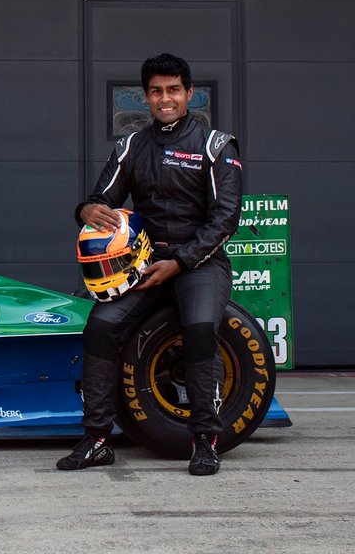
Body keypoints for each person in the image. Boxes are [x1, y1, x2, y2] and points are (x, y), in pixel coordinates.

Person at [57, 53, 242, 476]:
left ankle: (205, 441)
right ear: (145, 98)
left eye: (173, 90)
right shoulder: (130, 147)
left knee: (199, 331)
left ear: (189, 93)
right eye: (156, 92)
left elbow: (225, 218)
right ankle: (99, 439)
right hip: (142, 264)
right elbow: (101, 198)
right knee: (101, 326)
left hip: (201, 263)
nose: (165, 99)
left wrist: (180, 261)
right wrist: (86, 210)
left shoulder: (216, 146)